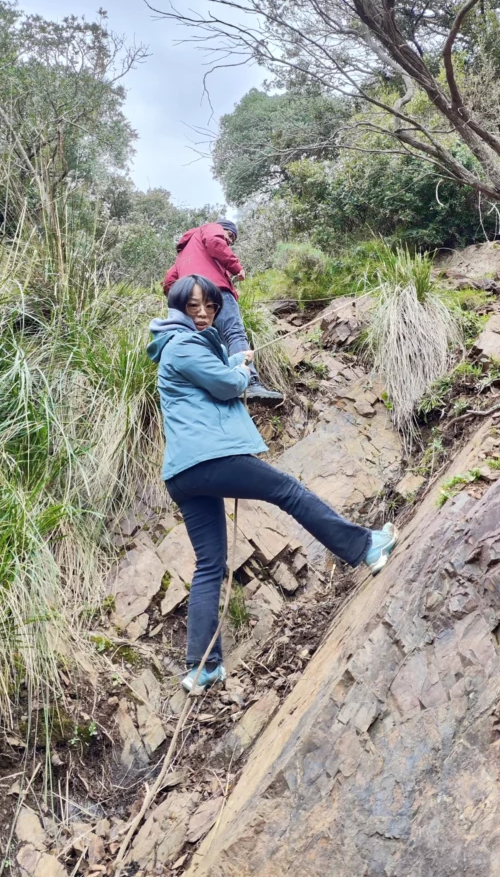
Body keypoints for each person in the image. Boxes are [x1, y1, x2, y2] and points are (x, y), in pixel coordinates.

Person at [147, 274, 397, 692]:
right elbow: (227, 387)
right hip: (211, 459)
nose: (205, 313)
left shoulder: (172, 348)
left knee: (210, 564)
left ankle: (203, 666)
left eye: (210, 305)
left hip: (182, 474)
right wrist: (242, 370)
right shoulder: (184, 344)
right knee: (287, 491)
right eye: (194, 307)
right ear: (178, 309)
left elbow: (210, 385)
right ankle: (365, 547)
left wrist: (231, 365)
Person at [162, 218, 283, 405]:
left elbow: (169, 280)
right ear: (222, 228)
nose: (229, 242)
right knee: (233, 333)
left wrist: (183, 300)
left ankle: (221, 385)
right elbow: (215, 242)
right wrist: (236, 267)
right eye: (229, 236)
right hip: (216, 291)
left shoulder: (184, 253)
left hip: (190, 301)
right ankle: (250, 383)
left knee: (209, 344)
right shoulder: (210, 228)